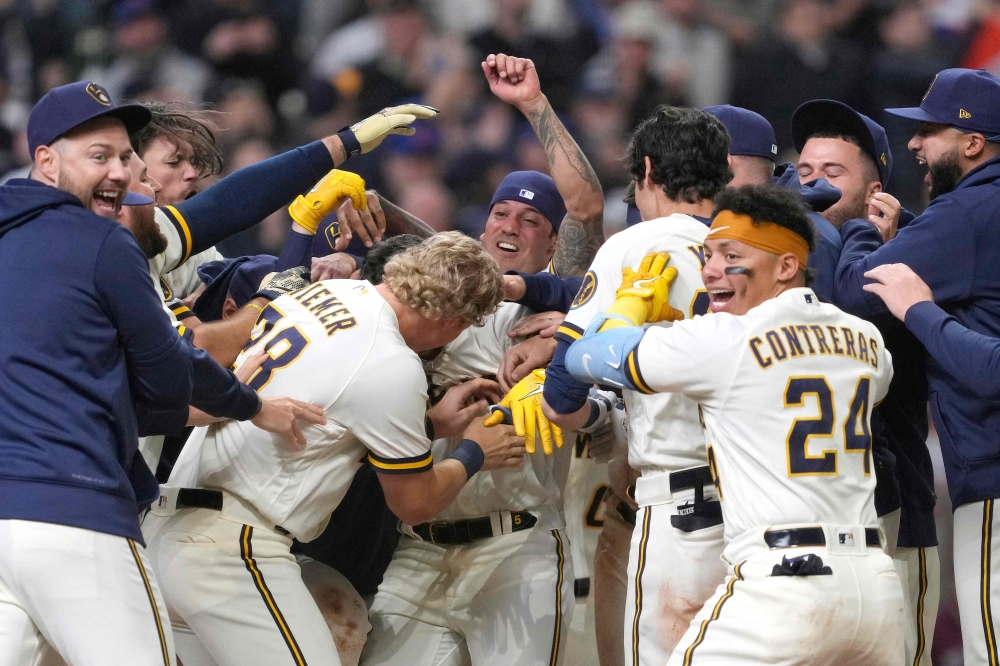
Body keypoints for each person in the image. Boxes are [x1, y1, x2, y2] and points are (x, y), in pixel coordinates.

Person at [0, 81, 321, 666]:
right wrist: (252, 406)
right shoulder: (101, 242)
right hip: (77, 513)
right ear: (46, 160)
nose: (120, 172)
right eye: (98, 156)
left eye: (125, 157)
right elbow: (171, 368)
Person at [143, 233, 523, 666]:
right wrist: (473, 450)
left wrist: (433, 425)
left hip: (172, 527)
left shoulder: (329, 291)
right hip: (230, 547)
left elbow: (333, 413)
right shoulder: (392, 362)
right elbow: (415, 504)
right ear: (453, 319)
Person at [565, 184, 904, 664]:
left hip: (783, 584)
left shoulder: (725, 337)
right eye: (709, 254)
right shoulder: (866, 339)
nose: (711, 269)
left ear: (787, 266)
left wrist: (629, 310)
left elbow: (583, 357)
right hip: (876, 587)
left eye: (731, 254)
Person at [362, 53, 606, 666]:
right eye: (500, 212)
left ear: (551, 246)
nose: (510, 226)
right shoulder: (441, 293)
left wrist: (533, 107)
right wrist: (377, 205)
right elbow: (427, 248)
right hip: (419, 545)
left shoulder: (565, 303)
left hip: (516, 545)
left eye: (530, 221)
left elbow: (585, 210)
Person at [540, 105, 732, 666]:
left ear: (646, 169)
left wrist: (599, 419)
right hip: (758, 500)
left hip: (678, 504)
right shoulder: (756, 253)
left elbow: (560, 392)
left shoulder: (638, 244)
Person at [833, 67, 1000, 666]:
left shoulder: (967, 211)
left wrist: (860, 233)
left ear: (972, 142)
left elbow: (856, 291)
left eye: (928, 131)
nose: (914, 144)